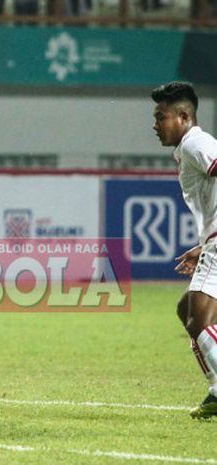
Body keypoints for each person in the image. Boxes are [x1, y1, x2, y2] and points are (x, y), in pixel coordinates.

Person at [154, 81, 217, 420]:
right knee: (187, 310)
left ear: (183, 116)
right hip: (213, 242)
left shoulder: (196, 142)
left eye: (160, 117)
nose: (155, 124)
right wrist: (204, 244)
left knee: (198, 321)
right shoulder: (188, 148)